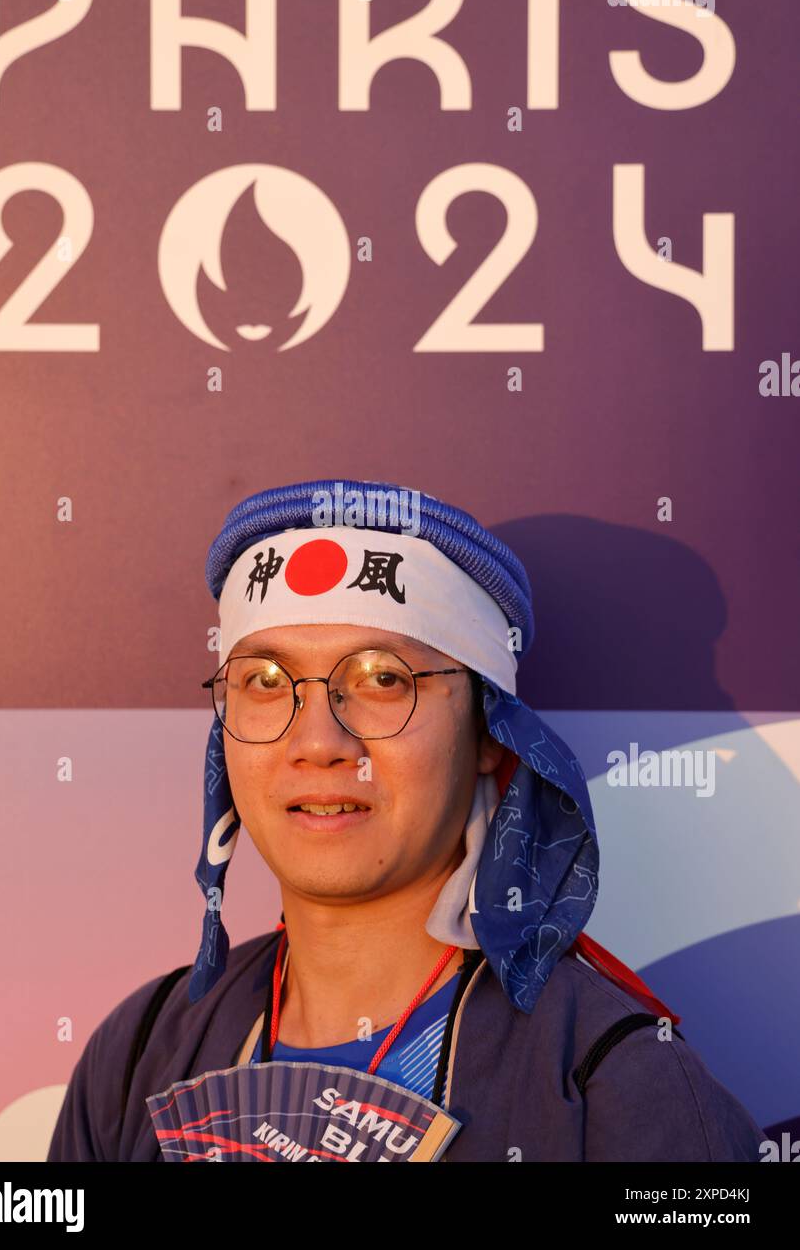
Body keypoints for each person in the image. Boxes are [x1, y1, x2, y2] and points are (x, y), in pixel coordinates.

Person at [47, 478, 767, 1162]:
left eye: (381, 679)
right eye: (265, 682)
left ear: (490, 735)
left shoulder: (615, 1081)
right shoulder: (140, 1053)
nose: (319, 743)